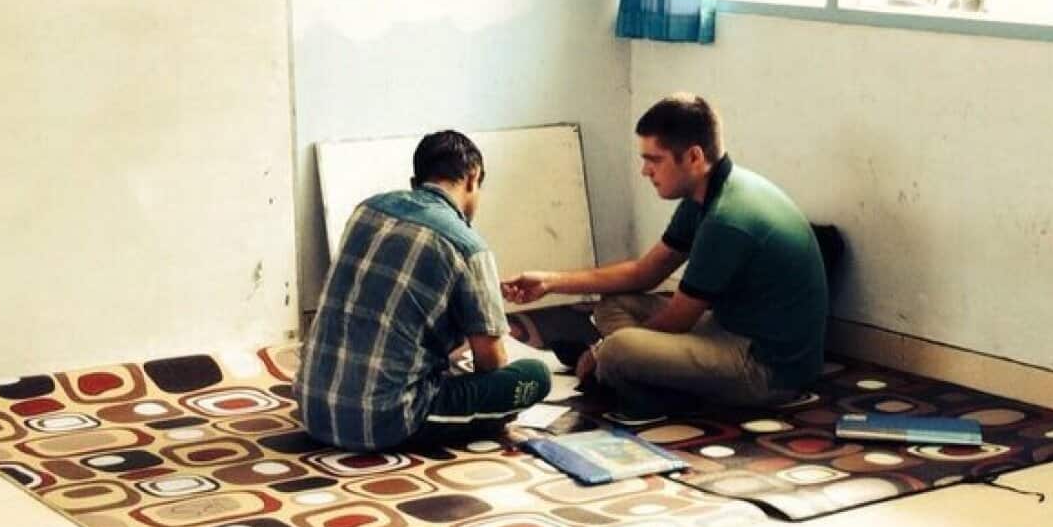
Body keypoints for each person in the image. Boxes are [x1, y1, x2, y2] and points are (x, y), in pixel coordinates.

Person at [502, 94, 827, 419]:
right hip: (728, 328)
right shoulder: (707, 192)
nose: (645, 171)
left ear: (694, 157)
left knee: (618, 349)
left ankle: (654, 391)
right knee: (613, 305)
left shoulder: (727, 219)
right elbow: (645, 273)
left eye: (654, 159)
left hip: (767, 371)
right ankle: (648, 380)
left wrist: (601, 351)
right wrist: (550, 282)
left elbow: (677, 320)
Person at [296, 130, 550, 451]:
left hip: (312, 407)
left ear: (417, 180)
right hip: (381, 421)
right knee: (535, 375)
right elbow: (492, 365)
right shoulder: (469, 247)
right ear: (472, 177)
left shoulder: (367, 210)